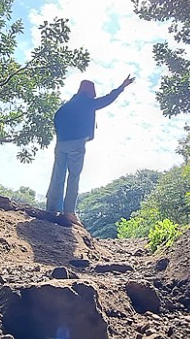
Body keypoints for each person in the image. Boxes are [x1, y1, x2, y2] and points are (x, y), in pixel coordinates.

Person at [46, 75, 135, 226]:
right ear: (88, 90)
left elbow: (56, 118)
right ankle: (68, 212)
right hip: (77, 144)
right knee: (74, 176)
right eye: (93, 90)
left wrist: (62, 135)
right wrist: (122, 86)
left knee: (57, 175)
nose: (94, 93)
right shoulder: (86, 103)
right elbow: (107, 99)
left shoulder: (66, 106)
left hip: (60, 144)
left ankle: (51, 208)